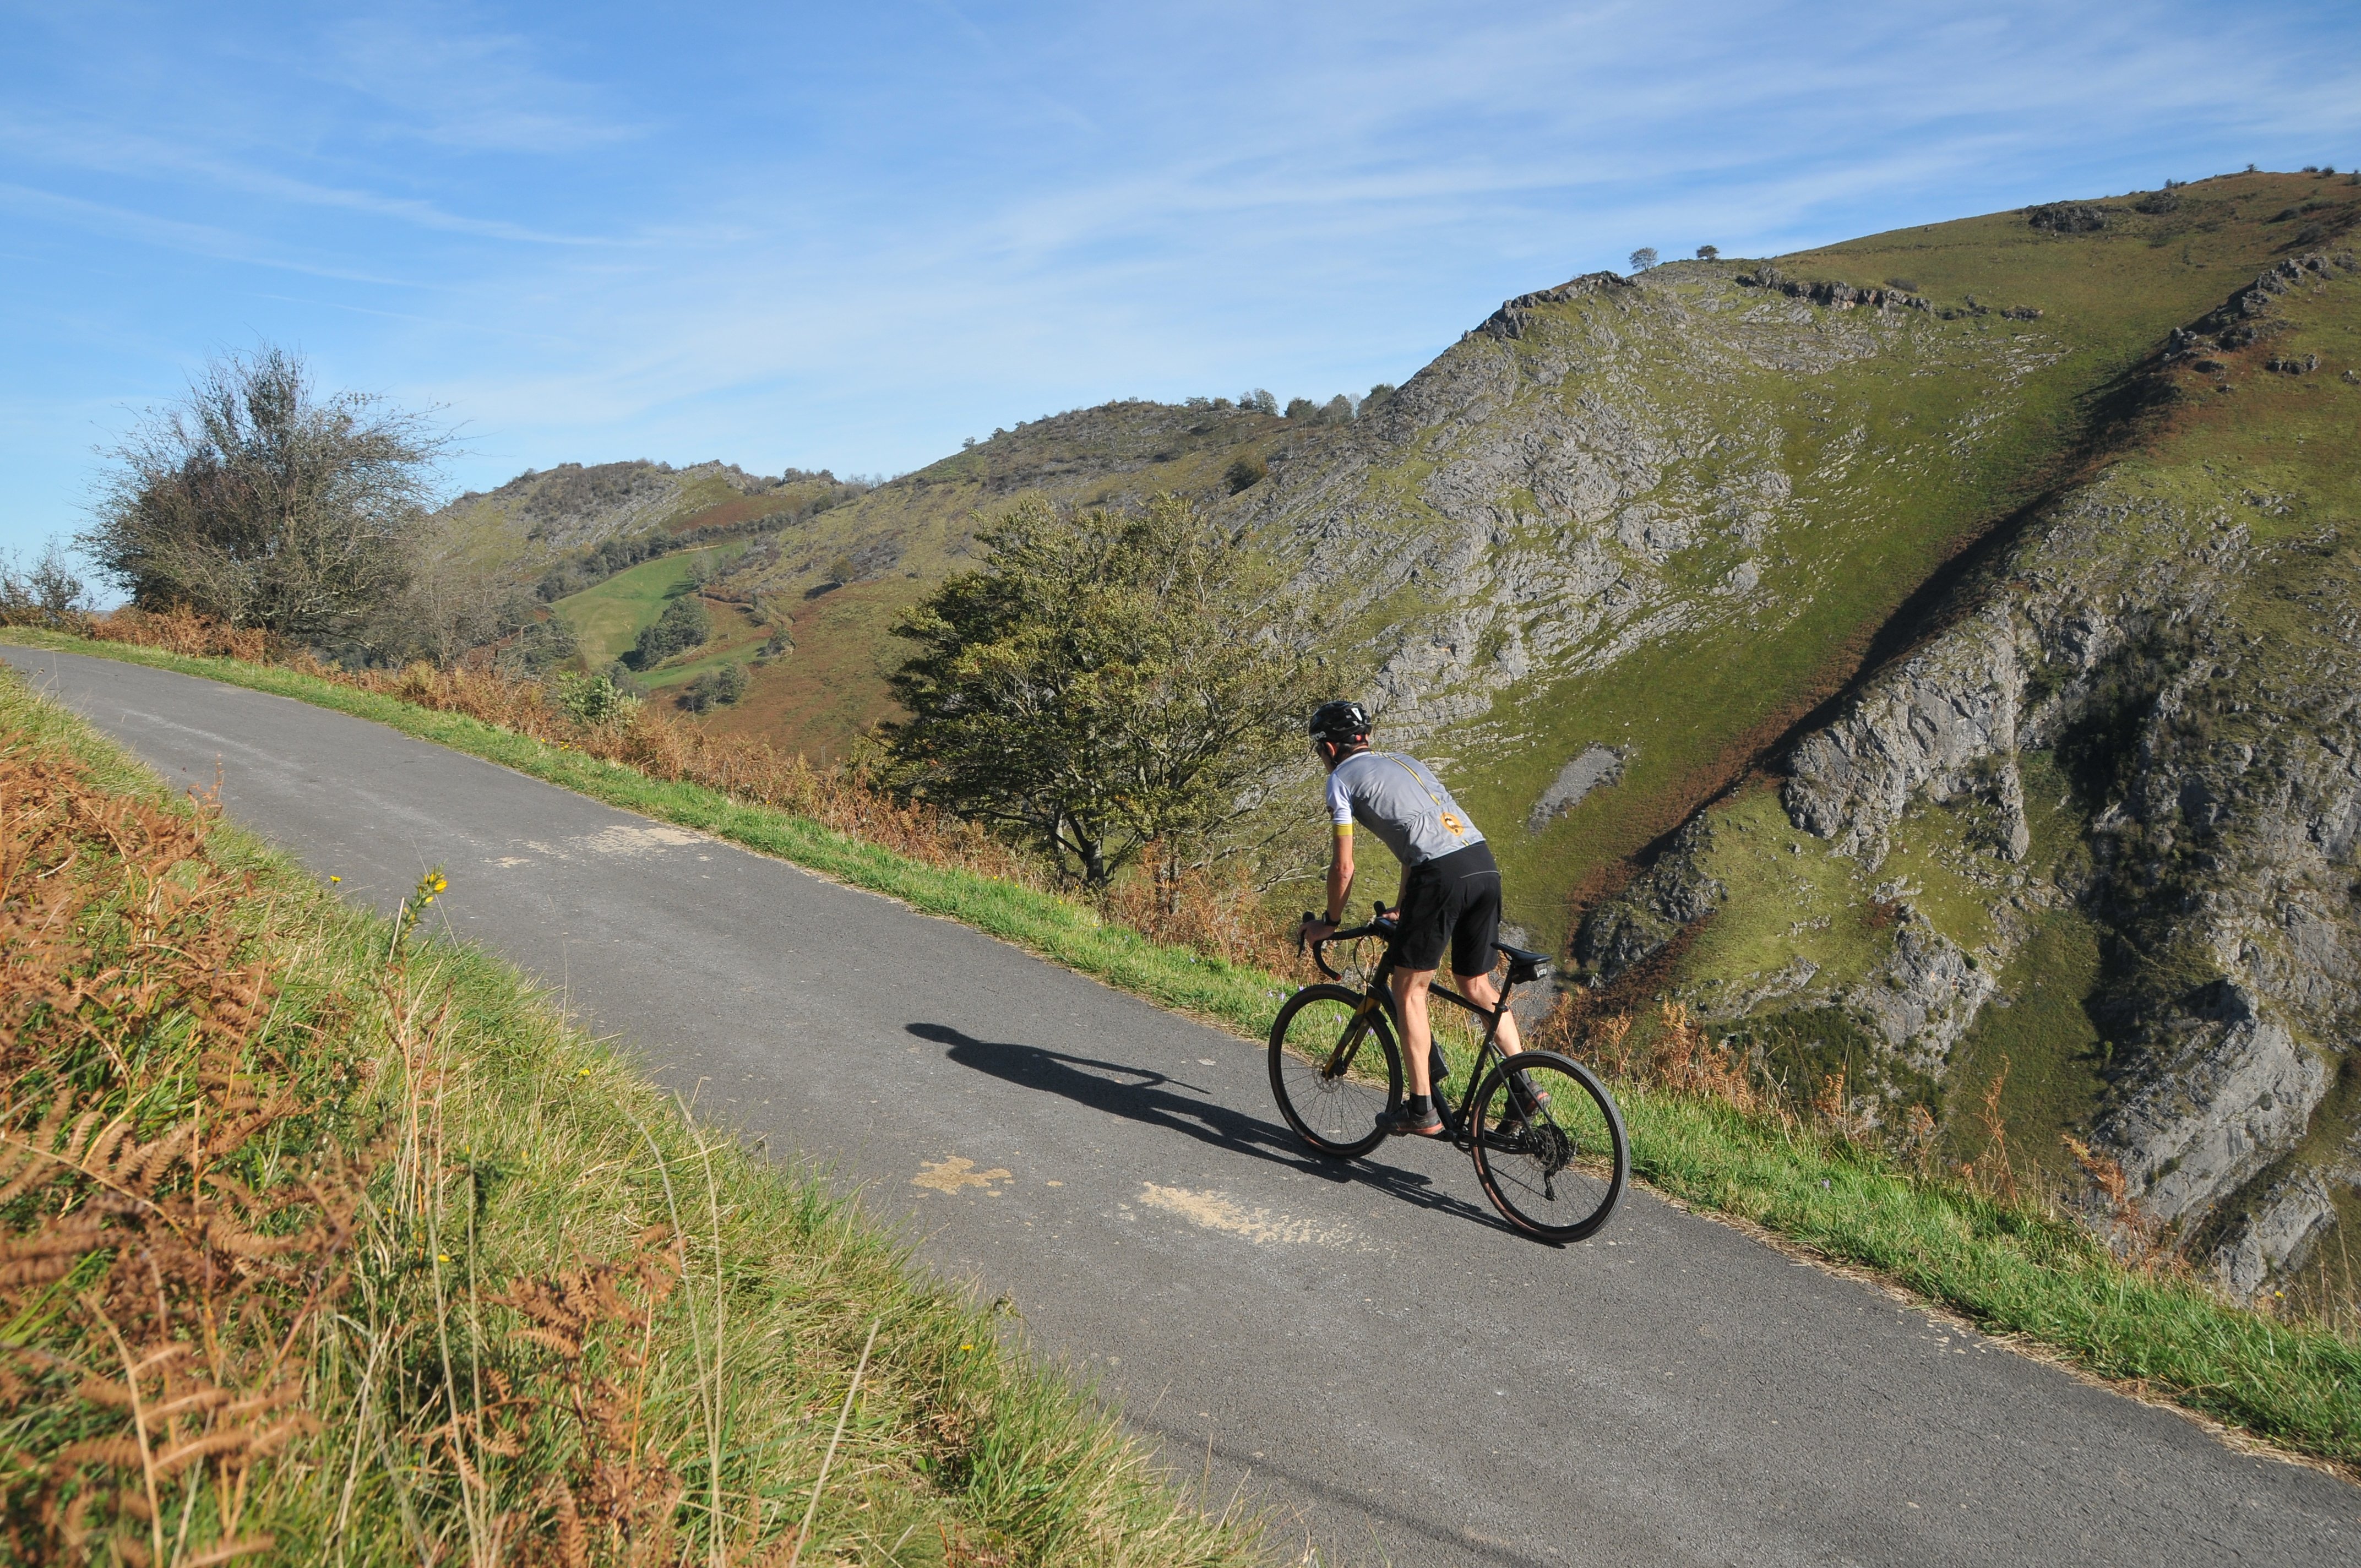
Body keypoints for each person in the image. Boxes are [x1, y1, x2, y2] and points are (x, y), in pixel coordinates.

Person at [1298, 699, 1523, 1136]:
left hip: (1440, 876)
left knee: (1409, 991)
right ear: (1365, 739)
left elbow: (1344, 866)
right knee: (1477, 986)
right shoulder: (1405, 761)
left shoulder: (1340, 780)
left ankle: (1421, 1108)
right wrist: (1403, 907)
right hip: (1482, 866)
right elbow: (1416, 843)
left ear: (1329, 748)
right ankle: (1525, 1089)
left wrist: (1329, 922)